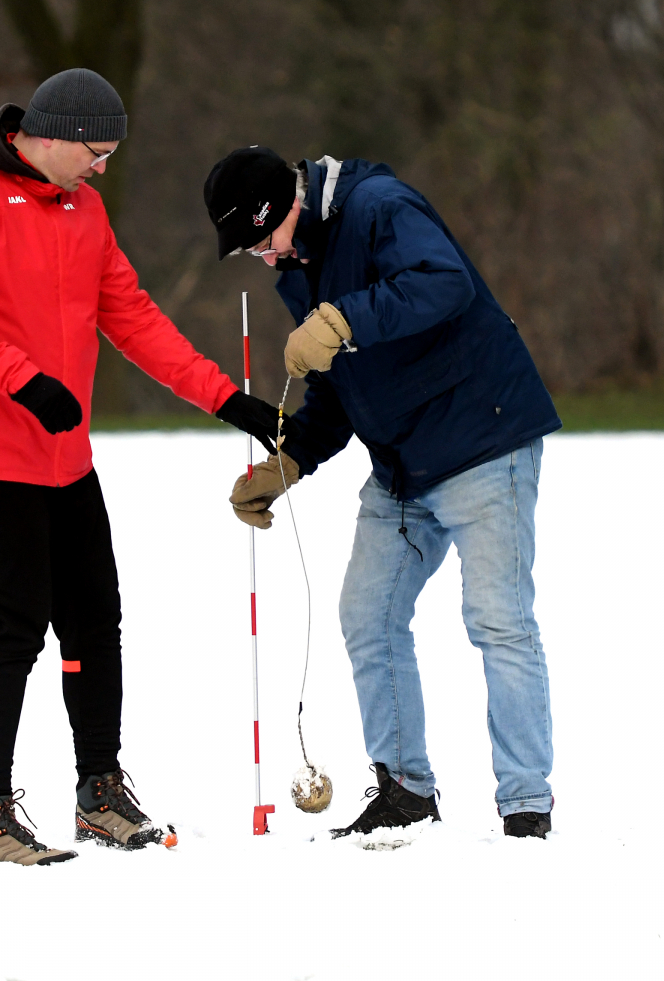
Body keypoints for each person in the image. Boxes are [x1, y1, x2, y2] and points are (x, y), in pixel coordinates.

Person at [0, 72, 289, 865]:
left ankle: (99, 790)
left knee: (94, 621)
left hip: (62, 455)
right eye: (97, 151)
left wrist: (226, 399)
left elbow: (131, 315)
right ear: (51, 132)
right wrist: (22, 377)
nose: (104, 168)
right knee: (10, 628)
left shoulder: (84, 208)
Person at [203, 147, 560, 840]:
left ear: (279, 210)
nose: (265, 259)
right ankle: (405, 790)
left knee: (498, 620)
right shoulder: (299, 266)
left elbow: (443, 282)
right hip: (403, 465)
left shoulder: (378, 208)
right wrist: (291, 460)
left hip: (484, 438)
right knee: (368, 614)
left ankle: (525, 805)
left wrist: (342, 319)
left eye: (259, 242)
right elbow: (340, 386)